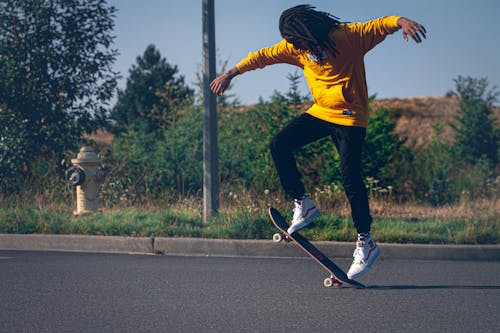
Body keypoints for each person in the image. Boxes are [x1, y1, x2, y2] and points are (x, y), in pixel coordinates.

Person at [210, 5, 426, 279]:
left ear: (310, 33)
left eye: (297, 41)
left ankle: (365, 241)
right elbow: (261, 56)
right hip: (321, 112)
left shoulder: (348, 37)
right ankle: (303, 202)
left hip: (350, 118)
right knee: (280, 144)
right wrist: (230, 74)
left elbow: (382, 23)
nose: (294, 47)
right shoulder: (295, 49)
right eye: (291, 43)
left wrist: (403, 22)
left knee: (350, 177)